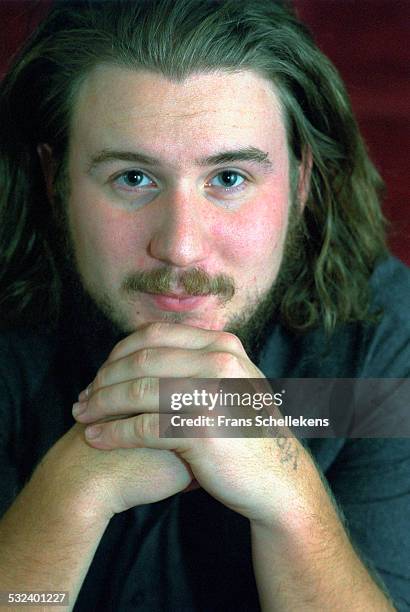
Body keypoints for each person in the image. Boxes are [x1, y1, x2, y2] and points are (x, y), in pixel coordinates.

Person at [0, 0, 408, 610]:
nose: (181, 248)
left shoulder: (378, 345)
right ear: (56, 179)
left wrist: (289, 494)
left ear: (301, 183)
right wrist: (74, 491)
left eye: (230, 178)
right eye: (133, 177)